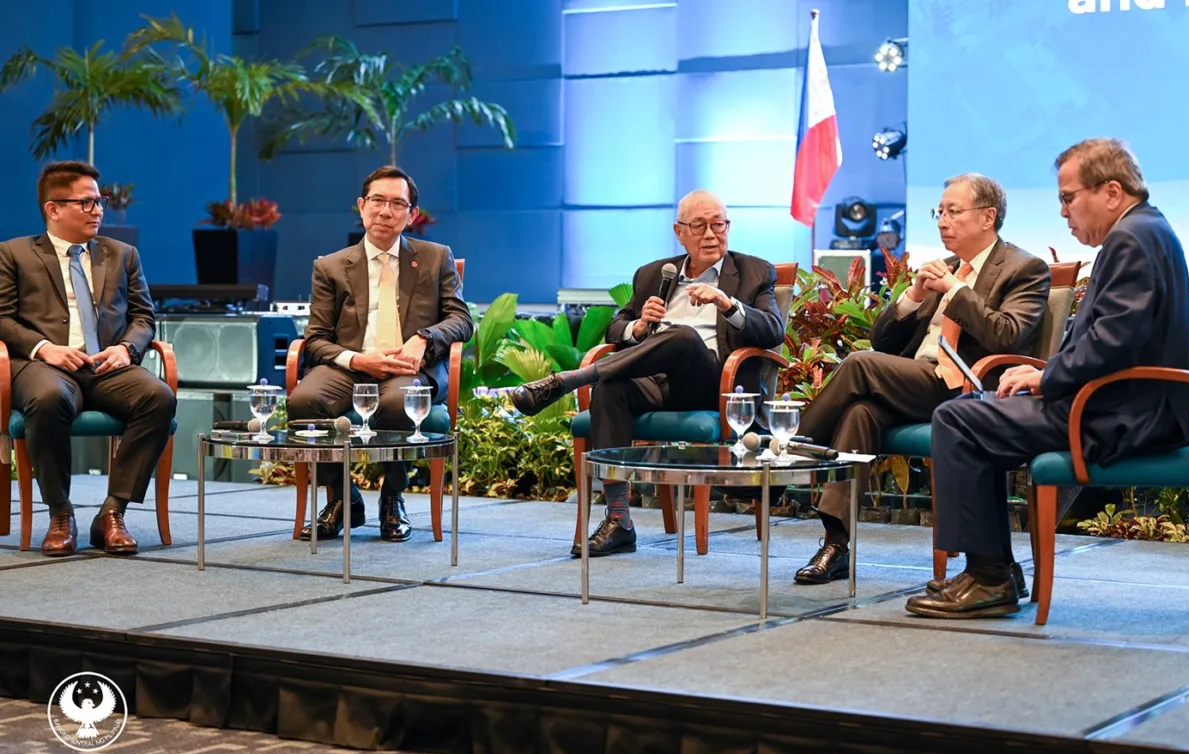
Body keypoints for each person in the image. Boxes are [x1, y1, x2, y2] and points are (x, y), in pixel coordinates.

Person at [907, 138, 1189, 619]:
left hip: (1124, 415)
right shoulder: (1147, 230)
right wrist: (1043, 372)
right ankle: (993, 570)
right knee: (971, 413)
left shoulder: (1132, 238)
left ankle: (990, 578)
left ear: (1111, 191)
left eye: (1067, 197)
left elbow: (1114, 339)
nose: (1062, 212)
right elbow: (1113, 336)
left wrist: (1047, 378)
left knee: (959, 420)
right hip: (1124, 403)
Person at [792, 173, 1051, 586]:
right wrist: (913, 294)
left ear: (988, 217)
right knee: (861, 412)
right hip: (919, 381)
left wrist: (955, 291)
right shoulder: (943, 267)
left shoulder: (1023, 268)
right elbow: (882, 341)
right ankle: (836, 544)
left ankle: (790, 454)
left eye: (953, 212)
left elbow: (1007, 333)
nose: (942, 221)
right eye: (939, 212)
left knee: (859, 364)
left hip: (968, 387)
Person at [511, 190, 785, 557]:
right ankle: (619, 520)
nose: (710, 234)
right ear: (679, 231)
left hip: (714, 383)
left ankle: (570, 380)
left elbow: (772, 329)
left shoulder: (754, 271)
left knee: (684, 338)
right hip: (656, 383)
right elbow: (615, 329)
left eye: (718, 224)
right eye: (700, 226)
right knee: (611, 388)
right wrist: (637, 327)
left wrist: (727, 303)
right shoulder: (656, 273)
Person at [0, 161, 175, 557]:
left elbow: (144, 317)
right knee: (47, 399)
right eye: (87, 202)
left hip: (107, 365)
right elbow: (2, 318)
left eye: (100, 202)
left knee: (158, 396)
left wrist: (126, 348)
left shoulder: (122, 254)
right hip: (45, 366)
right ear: (53, 208)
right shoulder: (14, 254)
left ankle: (112, 513)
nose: (98, 210)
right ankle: (60, 514)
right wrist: (45, 348)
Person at [289, 165, 472, 542]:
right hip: (350, 367)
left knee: (396, 402)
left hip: (407, 368)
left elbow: (462, 320)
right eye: (377, 201)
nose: (385, 212)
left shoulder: (436, 258)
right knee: (303, 401)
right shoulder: (330, 266)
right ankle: (342, 497)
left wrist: (424, 338)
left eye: (396, 204)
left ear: (412, 214)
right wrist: (357, 360)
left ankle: (393, 496)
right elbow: (317, 339)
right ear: (361, 206)